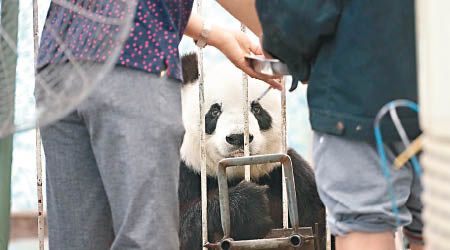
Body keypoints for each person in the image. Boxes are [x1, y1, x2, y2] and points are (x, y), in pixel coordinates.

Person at [37, 1, 278, 249]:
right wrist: (289, 40)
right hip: (133, 55)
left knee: (78, 240)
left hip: (57, 62)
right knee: (146, 237)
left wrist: (212, 33)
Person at [254, 1, 424, 250]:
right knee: (437, 222)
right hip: (438, 95)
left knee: (364, 223)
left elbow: (298, 12)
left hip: (356, 101)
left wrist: (282, 48)